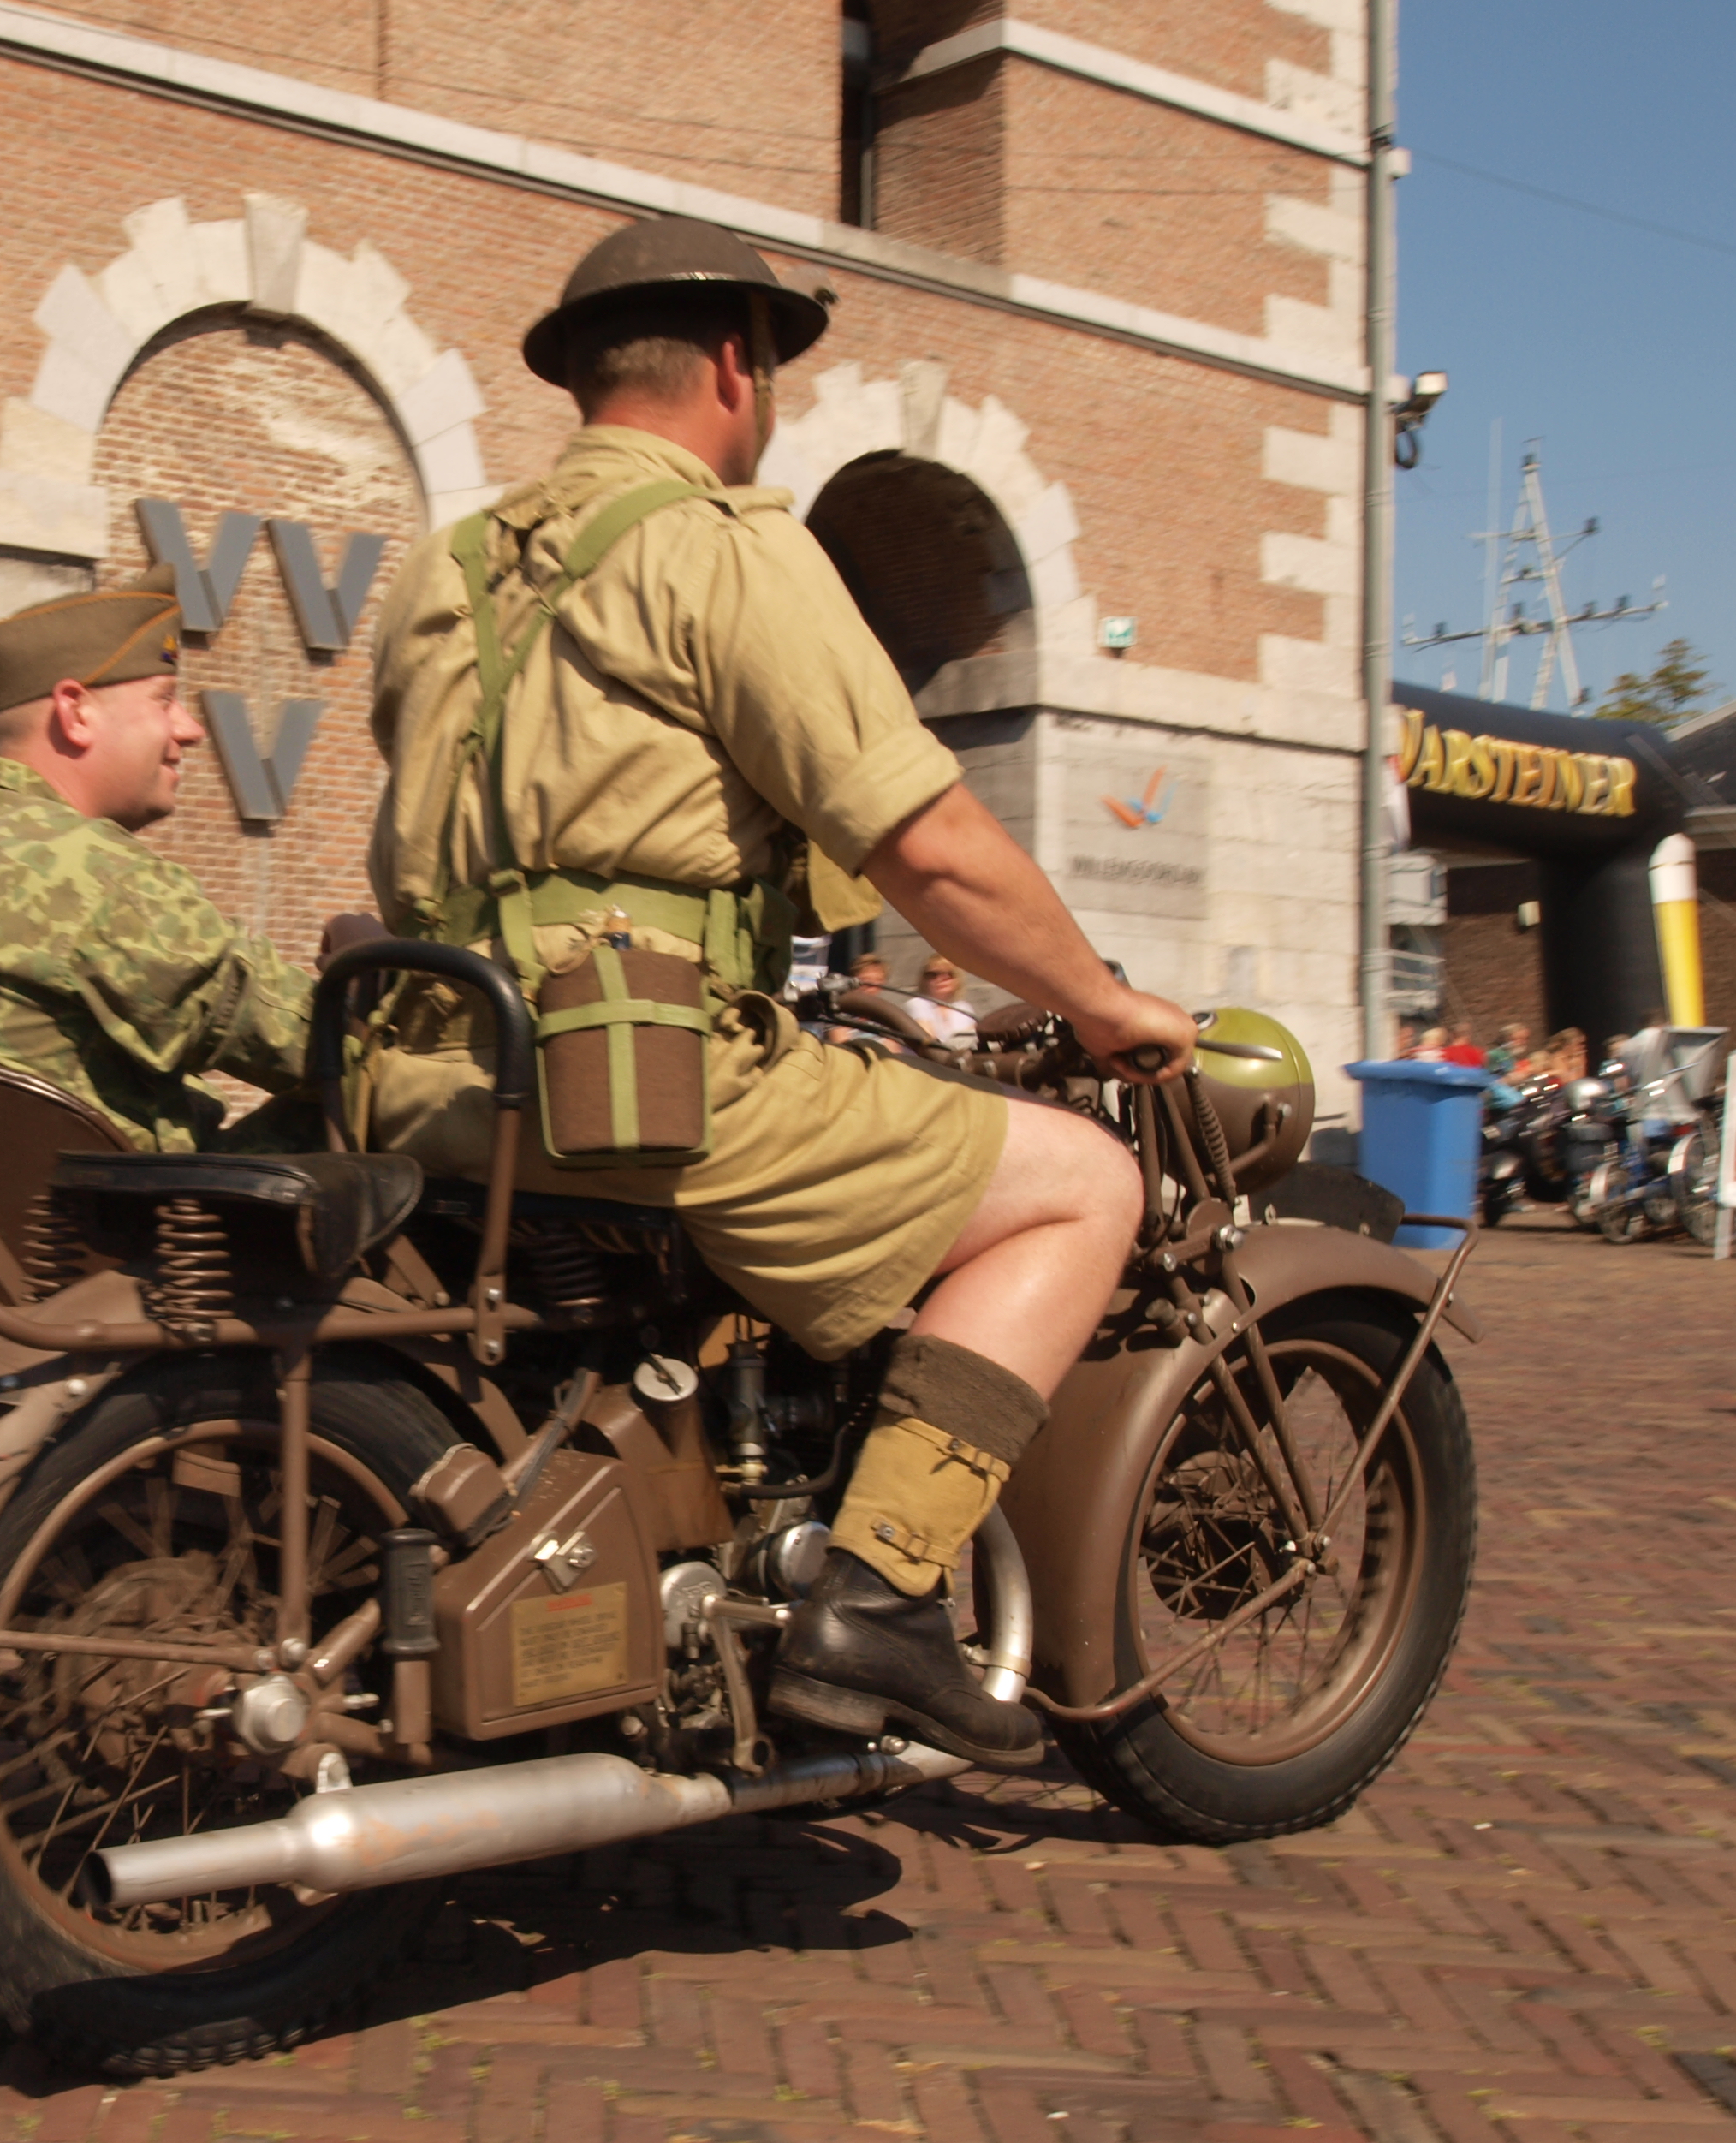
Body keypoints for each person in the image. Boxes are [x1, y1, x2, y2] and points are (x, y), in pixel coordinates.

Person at [363, 217, 1192, 1771]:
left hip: (430, 1072)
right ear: (736, 364)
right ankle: (876, 1598)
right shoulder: (725, 545)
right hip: (632, 1084)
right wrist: (1092, 1000)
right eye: (775, 372)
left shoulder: (442, 568)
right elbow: (926, 843)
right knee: (1084, 1181)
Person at [0, 570, 331, 1153]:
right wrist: (367, 978)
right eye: (165, 700)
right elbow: (328, 1048)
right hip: (122, 1237)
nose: (190, 730)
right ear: (76, 712)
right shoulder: (102, 879)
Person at [909, 955, 979, 1051]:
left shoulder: (963, 1007)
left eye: (949, 974)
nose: (941, 979)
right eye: (933, 975)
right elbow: (929, 1042)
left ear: (957, 979)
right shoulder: (917, 1004)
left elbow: (973, 1040)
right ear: (924, 980)